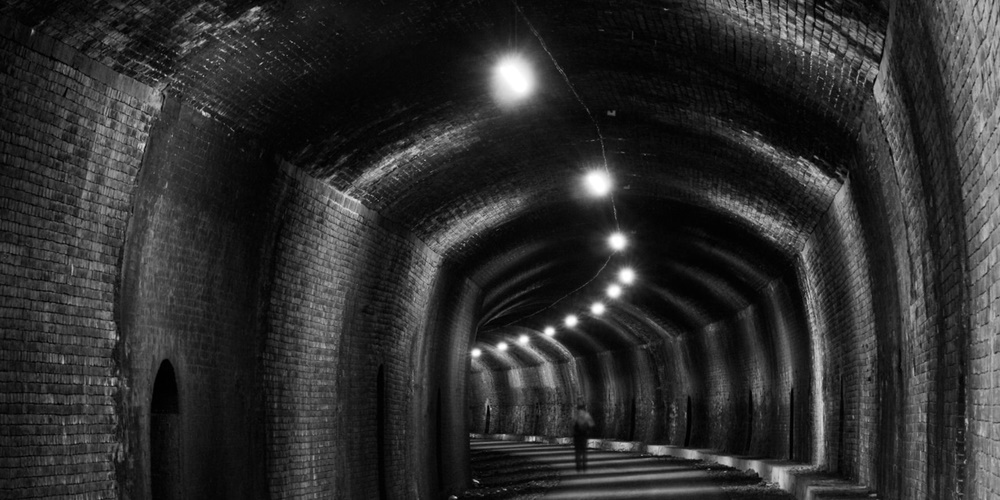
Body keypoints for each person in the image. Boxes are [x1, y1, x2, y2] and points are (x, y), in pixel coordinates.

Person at [572, 402, 595, 472]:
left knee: (577, 451)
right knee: (584, 450)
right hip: (584, 435)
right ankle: (584, 466)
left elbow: (572, 424)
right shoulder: (586, 415)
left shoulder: (575, 415)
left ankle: (578, 466)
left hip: (577, 435)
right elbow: (592, 424)